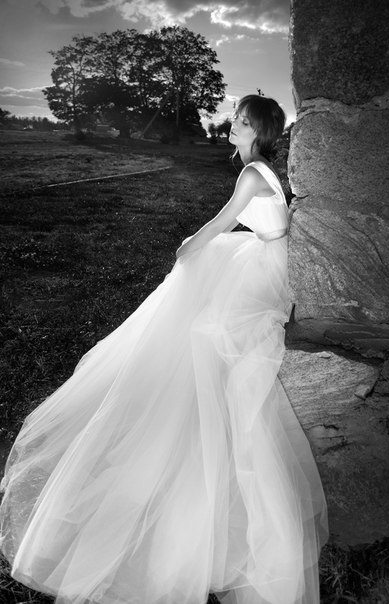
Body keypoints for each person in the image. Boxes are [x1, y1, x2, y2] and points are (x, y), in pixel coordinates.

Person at [0, 94, 328, 604]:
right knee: (199, 287)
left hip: (263, 264)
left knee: (196, 293)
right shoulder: (261, 169)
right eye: (237, 118)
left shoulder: (251, 173)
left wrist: (187, 246)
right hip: (267, 253)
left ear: (260, 132)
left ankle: (179, 405)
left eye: (243, 122)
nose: (234, 125)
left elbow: (221, 223)